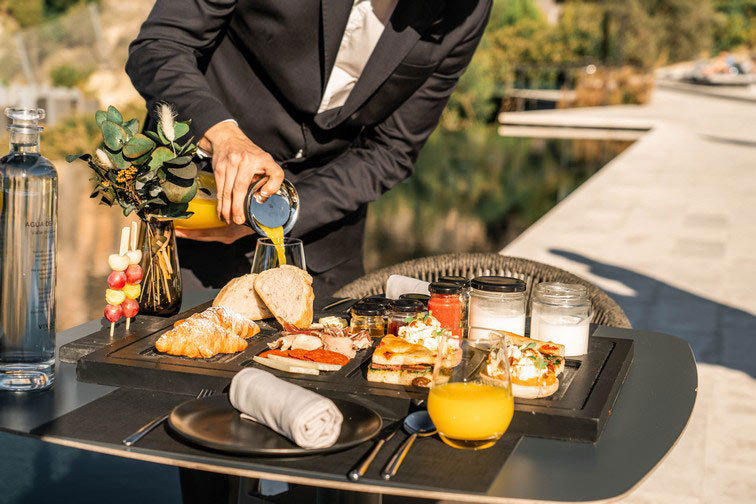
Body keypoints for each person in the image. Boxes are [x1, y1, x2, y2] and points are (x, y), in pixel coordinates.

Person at [127, 0, 492, 299]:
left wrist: (279, 211)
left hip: (324, 244)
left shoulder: (468, 9)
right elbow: (160, 47)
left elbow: (392, 149)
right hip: (197, 222)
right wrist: (221, 134)